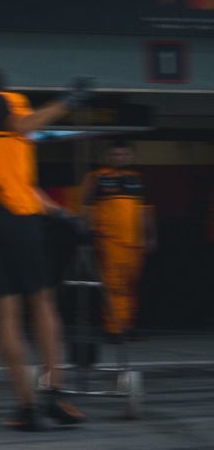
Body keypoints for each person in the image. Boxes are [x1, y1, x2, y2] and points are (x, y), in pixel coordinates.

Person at [0, 72, 83, 432]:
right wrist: (67, 102)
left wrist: (59, 212)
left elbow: (21, 185)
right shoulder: (4, 101)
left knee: (6, 313)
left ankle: (26, 407)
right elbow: (26, 125)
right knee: (41, 303)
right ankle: (53, 394)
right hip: (16, 218)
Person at [82, 141, 155, 340]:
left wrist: (150, 236)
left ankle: (127, 325)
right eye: (115, 154)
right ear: (108, 156)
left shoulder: (138, 179)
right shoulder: (98, 177)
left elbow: (147, 210)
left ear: (131, 156)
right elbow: (86, 207)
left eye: (124, 154)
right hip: (109, 241)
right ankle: (114, 329)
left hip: (135, 242)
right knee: (114, 285)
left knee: (131, 285)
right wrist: (87, 233)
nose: (120, 158)